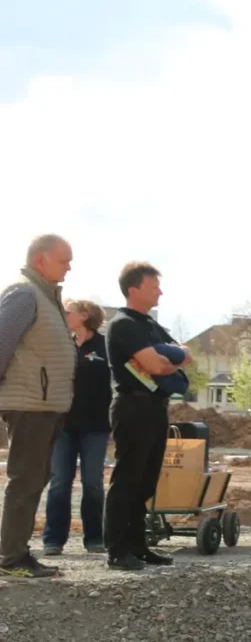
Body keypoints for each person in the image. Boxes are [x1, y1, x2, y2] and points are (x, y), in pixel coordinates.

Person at [0, 235, 77, 579]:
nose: (69, 267)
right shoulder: (25, 294)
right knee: (25, 480)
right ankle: (11, 559)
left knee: (34, 479)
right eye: (64, 260)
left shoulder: (46, 297)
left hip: (45, 406)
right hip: (29, 404)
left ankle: (16, 553)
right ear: (41, 260)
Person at [103, 262, 188, 571]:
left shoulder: (150, 325)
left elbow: (185, 352)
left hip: (155, 407)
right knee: (128, 478)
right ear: (133, 289)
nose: (160, 293)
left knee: (146, 481)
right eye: (154, 287)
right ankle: (117, 550)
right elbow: (155, 365)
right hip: (132, 406)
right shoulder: (123, 324)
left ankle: (138, 546)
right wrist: (168, 360)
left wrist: (169, 359)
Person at [42, 299, 112, 557]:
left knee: (92, 483)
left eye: (68, 312)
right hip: (63, 425)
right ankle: (53, 540)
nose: (64, 315)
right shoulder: (61, 343)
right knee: (60, 483)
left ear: (84, 315)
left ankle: (94, 538)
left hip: (96, 426)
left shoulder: (105, 346)